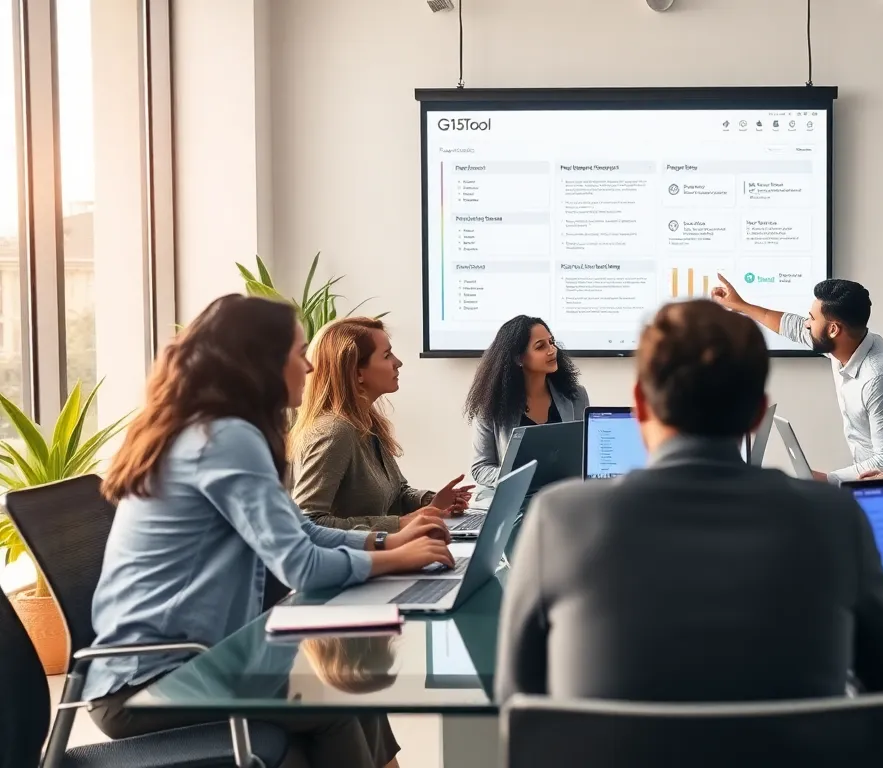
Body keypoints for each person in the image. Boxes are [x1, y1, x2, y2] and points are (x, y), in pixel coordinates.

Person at [84, 295, 455, 768]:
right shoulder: (223, 438)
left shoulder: (216, 429)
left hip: (192, 661)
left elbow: (299, 528)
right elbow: (299, 564)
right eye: (299, 354)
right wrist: (393, 558)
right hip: (153, 681)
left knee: (351, 687)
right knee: (337, 696)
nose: (310, 367)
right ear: (261, 362)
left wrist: (386, 541)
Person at [495, 300, 883, 702]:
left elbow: (516, 698)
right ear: (759, 413)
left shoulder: (558, 520)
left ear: (641, 406)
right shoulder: (834, 518)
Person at [712, 276, 883, 481]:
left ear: (834, 329)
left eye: (811, 318)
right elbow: (792, 326)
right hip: (869, 480)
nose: (807, 324)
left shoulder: (878, 379)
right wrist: (739, 305)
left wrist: (826, 479)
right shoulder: (846, 345)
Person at [291, 317, 473, 533]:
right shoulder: (334, 432)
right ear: (357, 372)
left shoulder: (367, 422)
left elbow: (396, 494)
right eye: (387, 355)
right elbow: (308, 524)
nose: (398, 362)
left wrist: (432, 502)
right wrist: (400, 523)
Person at [465, 315, 589, 497]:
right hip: (517, 499)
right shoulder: (491, 406)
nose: (552, 350)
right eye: (541, 346)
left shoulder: (576, 396)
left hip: (566, 497)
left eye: (551, 342)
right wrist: (524, 477)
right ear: (518, 358)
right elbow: (481, 468)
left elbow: (585, 454)